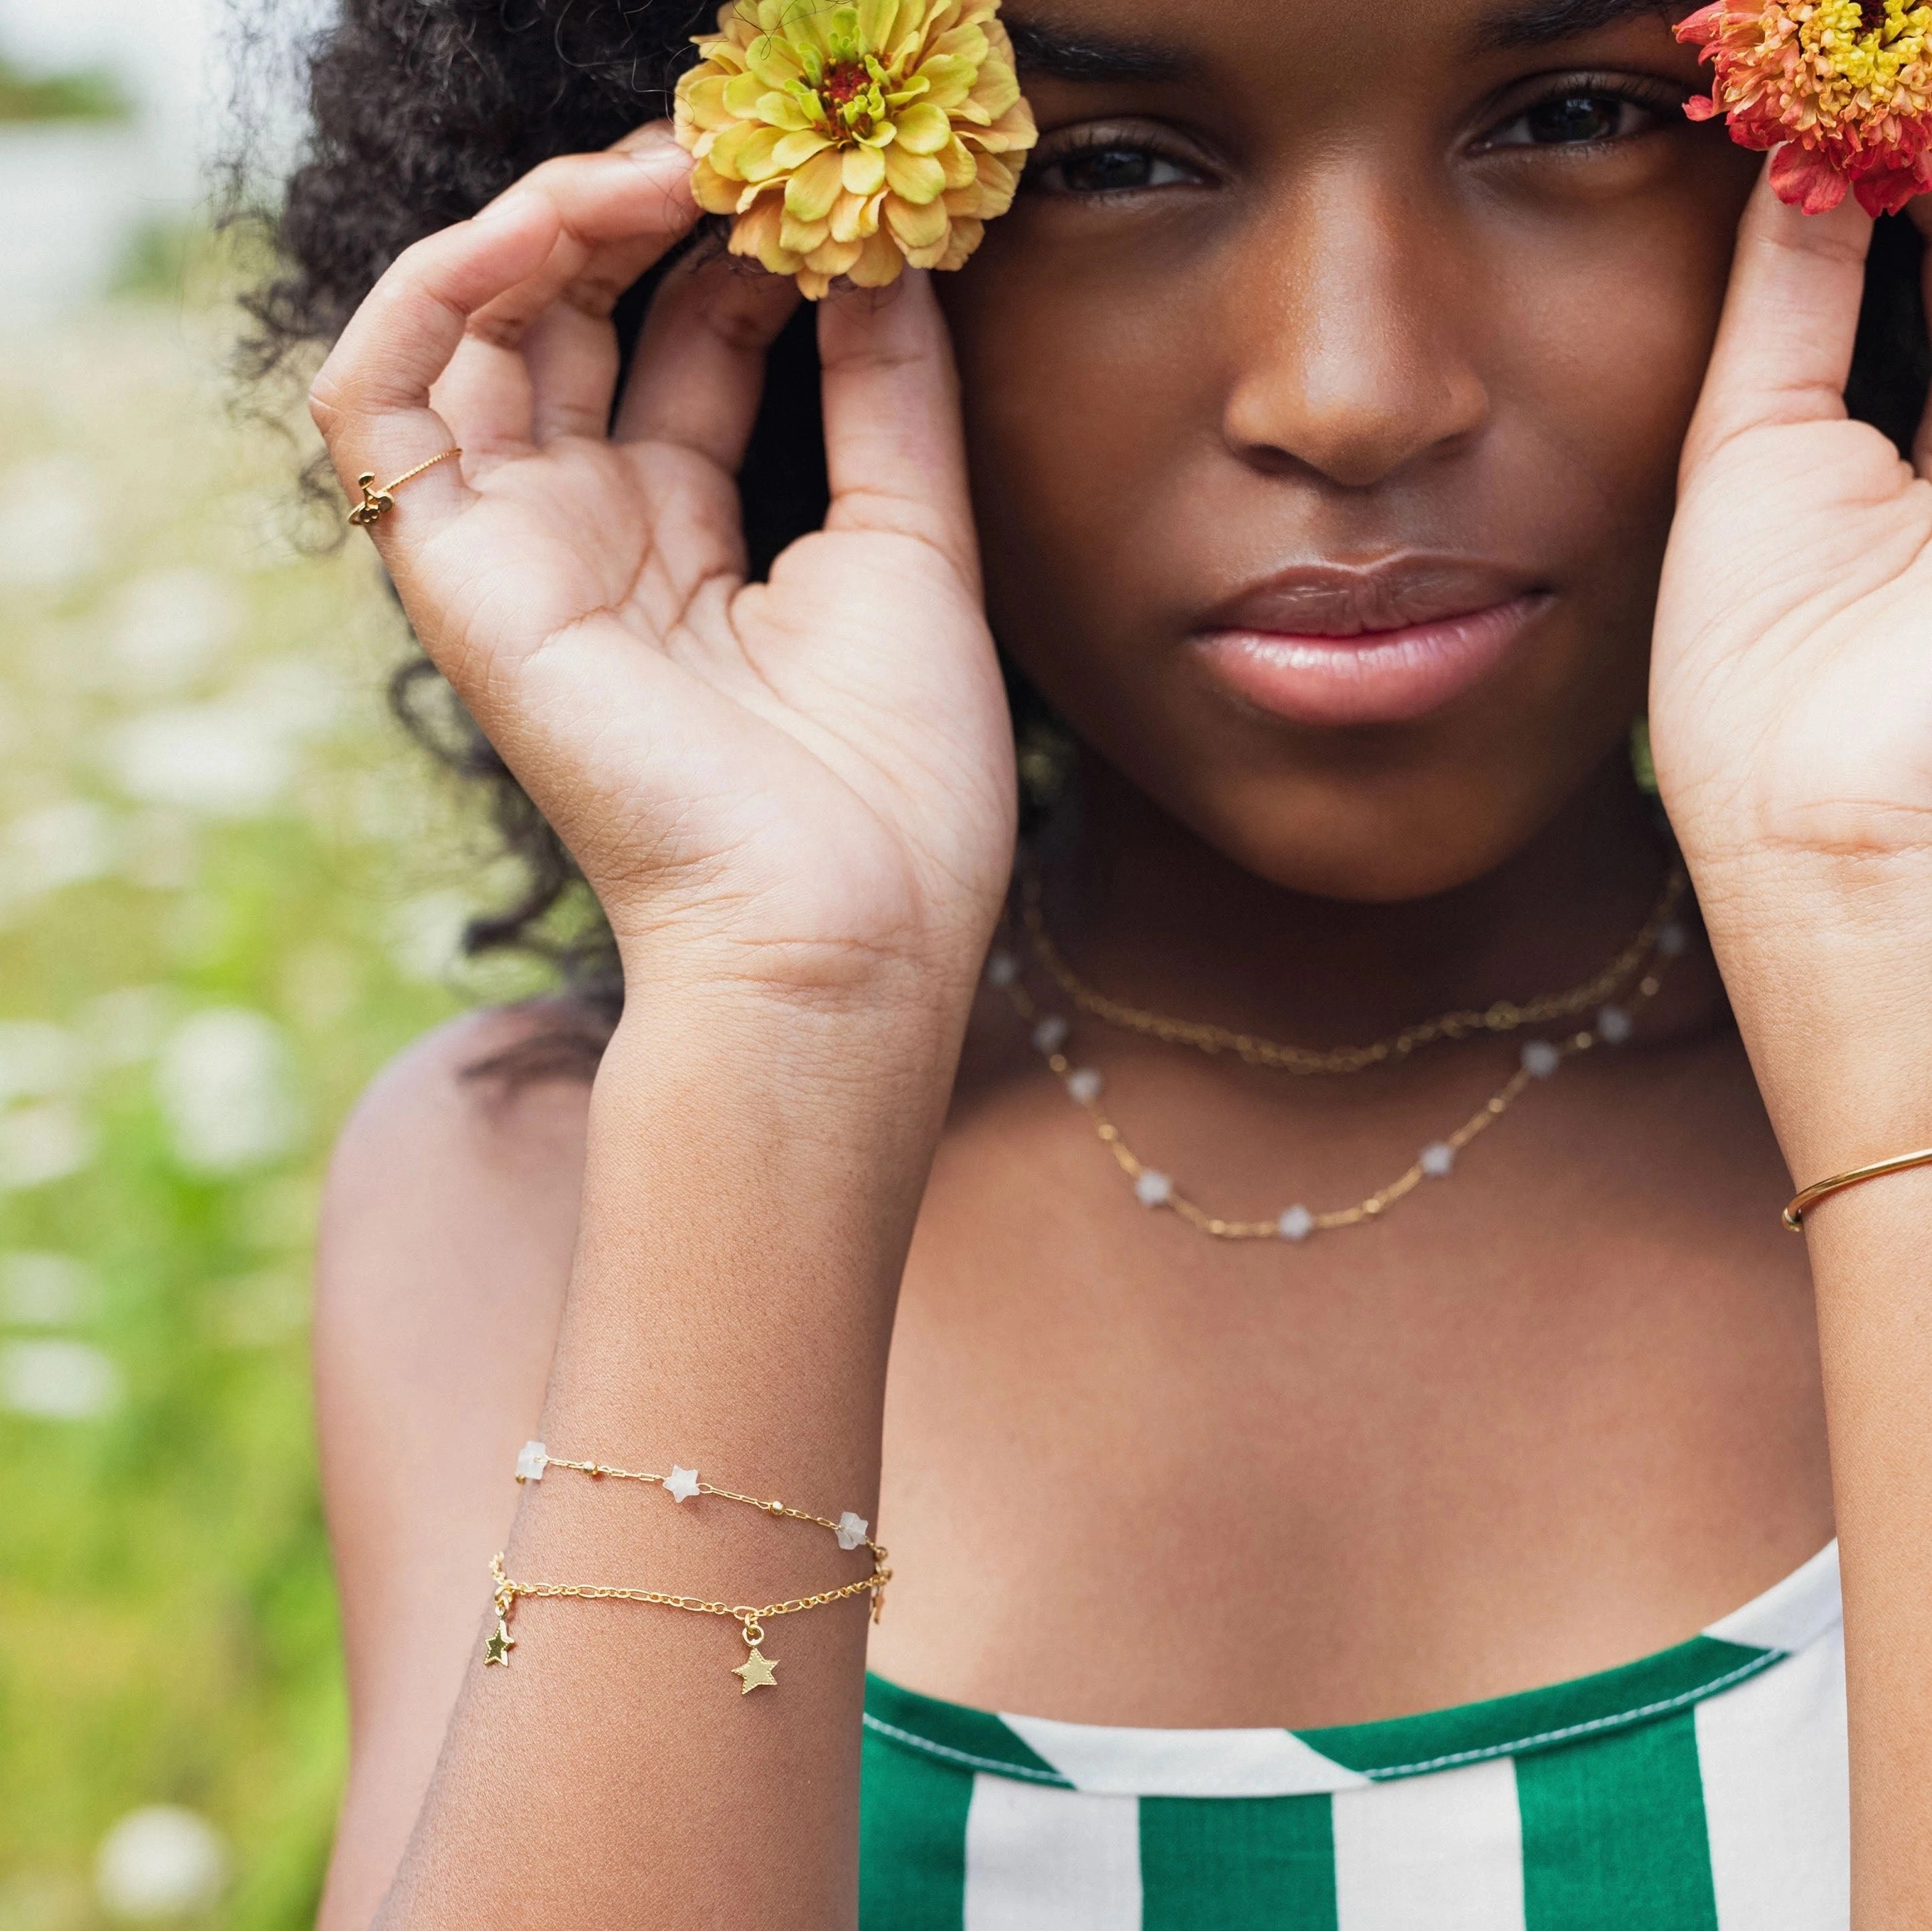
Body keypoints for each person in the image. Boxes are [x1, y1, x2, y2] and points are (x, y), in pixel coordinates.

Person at [260, 0, 1932, 1922]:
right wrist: (782, 1019)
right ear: (774, 244)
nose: (1352, 389)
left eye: (1570, 114)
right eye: (1105, 163)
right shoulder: (522, 1203)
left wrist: (1885, 899)